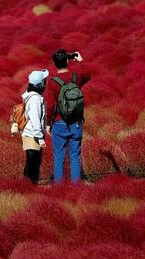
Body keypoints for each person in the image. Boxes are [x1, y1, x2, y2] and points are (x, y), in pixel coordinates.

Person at [45, 49, 91, 183]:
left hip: (59, 124)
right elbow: (88, 74)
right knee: (75, 157)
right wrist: (81, 61)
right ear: (67, 61)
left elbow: (50, 106)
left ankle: (59, 189)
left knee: (59, 157)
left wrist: (48, 124)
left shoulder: (53, 82)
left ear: (54, 63)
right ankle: (76, 188)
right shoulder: (76, 76)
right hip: (76, 123)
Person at [21, 69, 49, 184]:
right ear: (40, 84)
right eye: (44, 80)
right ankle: (29, 187)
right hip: (33, 136)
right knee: (33, 164)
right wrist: (40, 138)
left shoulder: (31, 96)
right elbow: (36, 119)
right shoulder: (35, 99)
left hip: (30, 135)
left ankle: (28, 187)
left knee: (32, 163)